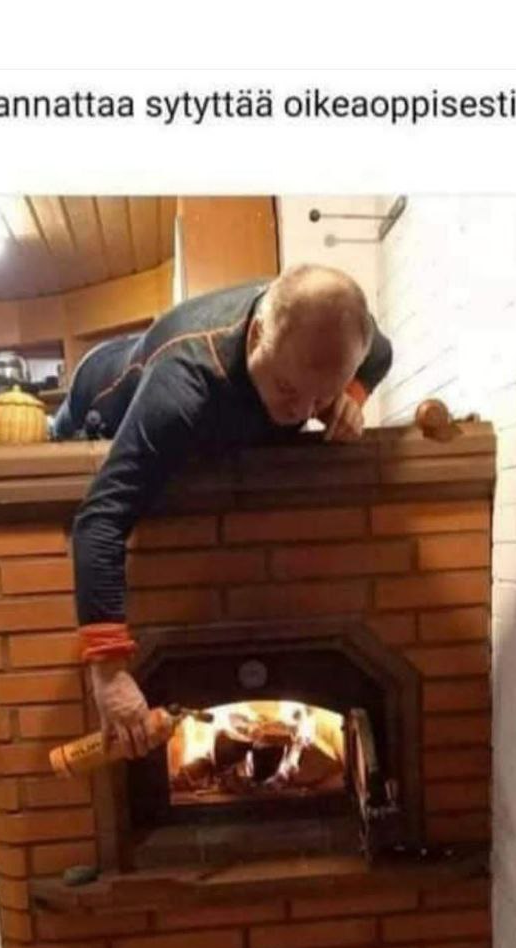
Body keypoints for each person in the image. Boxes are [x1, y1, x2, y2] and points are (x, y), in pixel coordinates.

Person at [60, 264, 393, 758]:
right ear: (258, 334)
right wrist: (108, 672)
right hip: (100, 391)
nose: (303, 413)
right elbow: (100, 521)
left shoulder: (355, 337)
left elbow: (381, 357)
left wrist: (349, 399)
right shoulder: (181, 388)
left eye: (319, 397)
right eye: (288, 390)